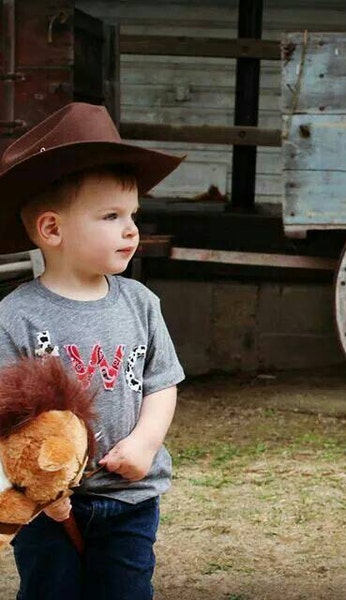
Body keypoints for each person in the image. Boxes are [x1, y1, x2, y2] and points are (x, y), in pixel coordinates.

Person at [0, 102, 186, 599]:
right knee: (49, 591)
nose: (131, 229)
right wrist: (42, 487)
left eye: (132, 216)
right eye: (111, 216)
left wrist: (146, 444)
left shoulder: (140, 303)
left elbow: (161, 383)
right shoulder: (18, 315)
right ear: (53, 230)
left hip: (129, 500)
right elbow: (5, 414)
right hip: (46, 505)